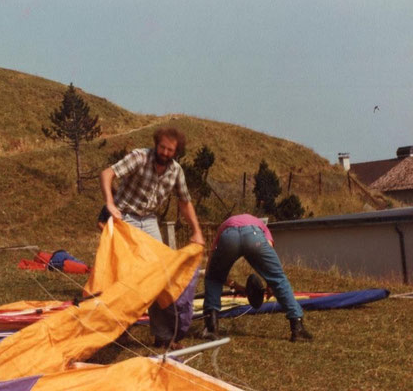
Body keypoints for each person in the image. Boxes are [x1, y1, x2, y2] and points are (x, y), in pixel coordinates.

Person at [100, 126, 204, 349]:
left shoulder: (176, 171)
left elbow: (185, 202)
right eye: (162, 147)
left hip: (148, 221)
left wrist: (196, 231)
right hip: (124, 217)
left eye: (170, 150)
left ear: (176, 152)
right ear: (156, 144)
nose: (165, 152)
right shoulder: (139, 157)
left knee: (159, 275)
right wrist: (110, 204)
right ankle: (117, 330)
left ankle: (163, 335)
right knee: (124, 276)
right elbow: (107, 174)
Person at [202, 214, 313, 342]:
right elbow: (271, 259)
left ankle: (211, 329)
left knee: (213, 278)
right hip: (254, 236)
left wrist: (222, 281)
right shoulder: (262, 226)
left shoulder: (223, 226)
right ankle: (297, 327)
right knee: (278, 277)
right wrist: (271, 284)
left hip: (228, 236)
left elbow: (211, 270)